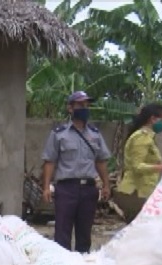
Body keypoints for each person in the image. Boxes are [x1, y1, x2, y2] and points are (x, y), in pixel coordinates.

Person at [41, 91, 112, 253]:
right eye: (80, 105)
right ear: (70, 108)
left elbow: (100, 161)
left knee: (84, 234)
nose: (84, 108)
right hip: (66, 189)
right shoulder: (59, 134)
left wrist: (106, 185)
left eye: (87, 105)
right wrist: (46, 187)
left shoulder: (95, 134)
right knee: (62, 233)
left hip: (88, 189)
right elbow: (49, 161)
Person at [113, 103, 162, 224]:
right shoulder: (141, 137)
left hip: (143, 191)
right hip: (136, 192)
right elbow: (137, 166)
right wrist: (161, 168)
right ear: (152, 119)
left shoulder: (148, 137)